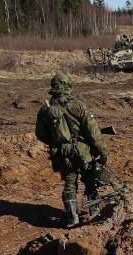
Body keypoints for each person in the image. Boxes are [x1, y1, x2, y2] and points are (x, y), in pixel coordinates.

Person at [35, 74, 108, 227]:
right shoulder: (78, 105)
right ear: (67, 86)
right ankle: (95, 214)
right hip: (83, 153)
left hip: (62, 154)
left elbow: (40, 134)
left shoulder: (45, 110)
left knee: (69, 183)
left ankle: (71, 219)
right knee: (90, 181)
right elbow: (93, 131)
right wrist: (102, 152)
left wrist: (56, 143)